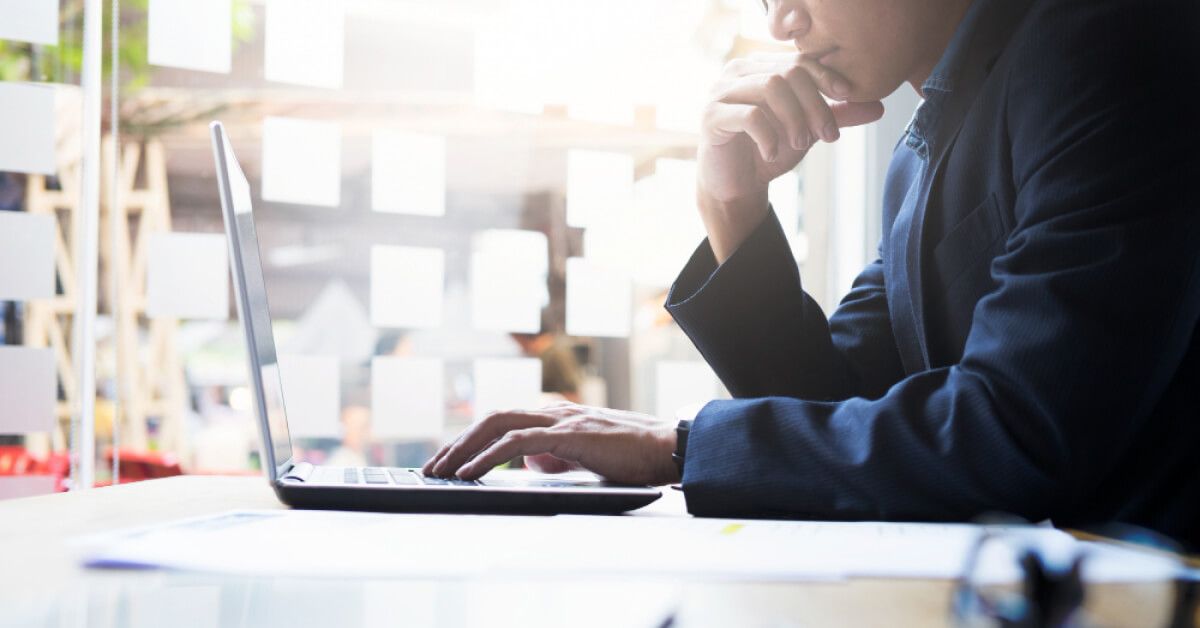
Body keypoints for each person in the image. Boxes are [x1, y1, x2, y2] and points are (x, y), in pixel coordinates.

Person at [424, 0, 1200, 548]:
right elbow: (836, 405)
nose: (779, 22)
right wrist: (732, 204)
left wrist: (679, 447)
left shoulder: (1108, 45)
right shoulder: (923, 149)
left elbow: (1018, 434)